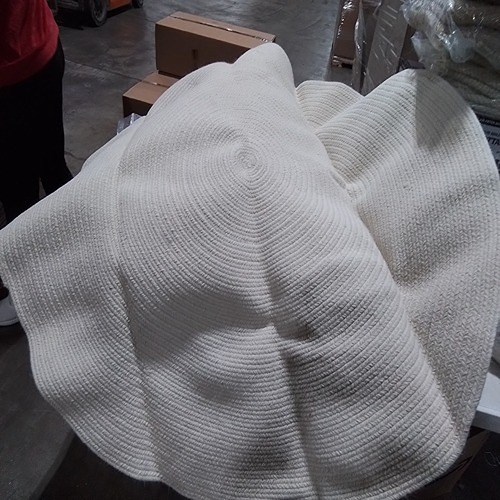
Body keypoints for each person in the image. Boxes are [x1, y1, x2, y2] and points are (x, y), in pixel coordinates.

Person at [0, 0, 73, 326]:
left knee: (18, 194)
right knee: (51, 166)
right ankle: (81, 258)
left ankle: (29, 293)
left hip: (12, 77)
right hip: (42, 49)